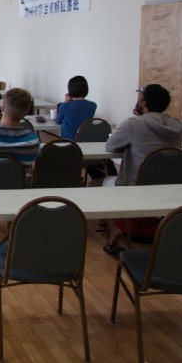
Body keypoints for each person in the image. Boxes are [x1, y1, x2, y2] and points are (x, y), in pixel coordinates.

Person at [96, 83, 182, 253]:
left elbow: (110, 146)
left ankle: (115, 233)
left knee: (97, 186)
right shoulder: (177, 127)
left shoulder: (133, 124)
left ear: (144, 102)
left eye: (140, 97)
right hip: (169, 187)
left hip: (137, 187)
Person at [55, 75, 97, 140]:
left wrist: (65, 102)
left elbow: (58, 120)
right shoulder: (93, 105)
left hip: (69, 142)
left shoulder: (65, 106)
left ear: (70, 91)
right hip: (85, 141)